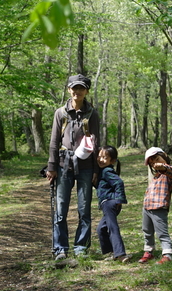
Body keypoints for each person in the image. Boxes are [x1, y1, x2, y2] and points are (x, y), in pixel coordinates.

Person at [46, 74, 100, 260]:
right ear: (69, 89)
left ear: (86, 91)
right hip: (63, 166)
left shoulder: (92, 113)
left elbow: (96, 143)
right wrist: (51, 167)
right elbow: (54, 142)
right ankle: (60, 248)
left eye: (81, 88)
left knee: (84, 210)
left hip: (86, 167)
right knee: (61, 209)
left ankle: (81, 248)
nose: (77, 91)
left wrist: (96, 170)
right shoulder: (60, 113)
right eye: (74, 88)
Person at [138, 147, 172, 265]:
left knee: (162, 232)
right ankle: (149, 251)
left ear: (164, 155)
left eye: (156, 159)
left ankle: (167, 254)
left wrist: (163, 167)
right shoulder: (156, 176)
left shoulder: (170, 173)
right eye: (152, 162)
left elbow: (169, 170)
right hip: (147, 208)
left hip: (159, 207)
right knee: (147, 230)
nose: (155, 163)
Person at [95, 145, 131, 263]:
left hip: (110, 203)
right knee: (101, 229)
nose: (101, 159)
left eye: (104, 158)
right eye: (99, 156)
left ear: (113, 161)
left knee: (112, 228)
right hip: (107, 204)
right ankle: (112, 253)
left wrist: (120, 200)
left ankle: (121, 254)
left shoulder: (106, 171)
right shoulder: (103, 171)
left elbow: (119, 183)